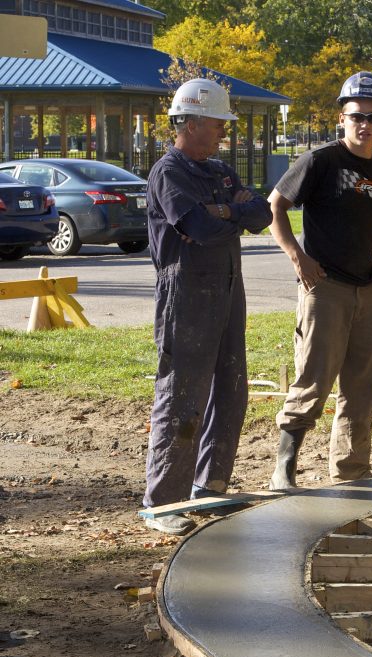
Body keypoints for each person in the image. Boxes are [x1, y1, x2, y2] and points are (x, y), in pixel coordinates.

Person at [143, 78, 272, 534]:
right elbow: (197, 228)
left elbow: (262, 214)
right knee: (183, 396)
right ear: (192, 122)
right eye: (218, 123)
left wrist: (226, 212)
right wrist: (229, 215)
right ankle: (163, 503)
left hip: (227, 290)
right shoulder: (168, 173)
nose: (223, 131)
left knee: (231, 390)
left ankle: (210, 487)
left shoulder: (220, 172)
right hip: (184, 293)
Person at [267, 72, 372, 489]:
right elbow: (275, 207)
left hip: (368, 290)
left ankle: (352, 472)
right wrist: (298, 258)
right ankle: (284, 470)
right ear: (342, 118)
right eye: (357, 116)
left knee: (364, 385)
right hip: (325, 289)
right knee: (313, 381)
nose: (365, 124)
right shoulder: (321, 161)